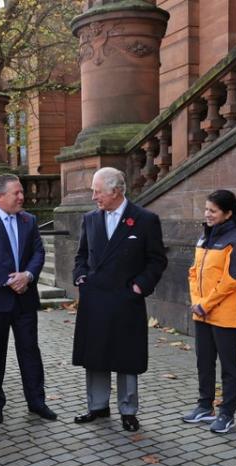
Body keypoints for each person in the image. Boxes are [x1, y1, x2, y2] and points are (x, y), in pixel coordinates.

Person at [72, 167, 167, 432]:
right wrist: (80, 276)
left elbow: (157, 260)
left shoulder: (145, 219)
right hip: (96, 299)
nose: (93, 197)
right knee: (95, 354)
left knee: (127, 356)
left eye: (97, 191)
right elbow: (81, 256)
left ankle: (128, 409)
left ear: (116, 191)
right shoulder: (90, 219)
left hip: (126, 299)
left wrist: (139, 286)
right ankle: (97, 406)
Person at [0, 173, 55, 424]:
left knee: (30, 351)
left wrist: (27, 276)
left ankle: (37, 403)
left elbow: (38, 252)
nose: (21, 196)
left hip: (24, 298)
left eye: (21, 192)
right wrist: (9, 280)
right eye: (16, 193)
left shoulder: (29, 220)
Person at [181, 190, 236, 435]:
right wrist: (197, 301)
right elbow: (193, 272)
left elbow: (231, 279)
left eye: (213, 211)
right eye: (206, 210)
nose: (207, 215)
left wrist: (206, 303)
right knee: (204, 361)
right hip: (202, 310)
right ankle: (204, 406)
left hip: (226, 313)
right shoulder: (206, 236)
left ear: (228, 213)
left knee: (229, 366)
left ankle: (227, 414)